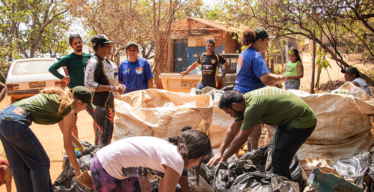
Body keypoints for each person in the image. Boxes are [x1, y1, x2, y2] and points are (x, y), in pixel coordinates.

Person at [207, 87, 317, 179]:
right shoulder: (246, 100)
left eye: (229, 112)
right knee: (277, 157)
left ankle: (283, 187)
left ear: (235, 105)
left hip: (301, 122)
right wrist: (220, 152)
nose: (231, 116)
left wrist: (224, 158)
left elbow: (242, 138)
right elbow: (232, 129)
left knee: (279, 160)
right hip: (288, 122)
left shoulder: (252, 107)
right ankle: (287, 185)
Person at [0, 86, 93, 192]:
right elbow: (67, 145)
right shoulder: (68, 110)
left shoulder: (59, 100)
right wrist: (78, 171)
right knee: (41, 164)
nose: (84, 109)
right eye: (85, 106)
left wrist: (81, 147)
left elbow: (66, 132)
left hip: (3, 119)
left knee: (19, 166)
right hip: (16, 122)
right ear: (79, 102)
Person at [90, 128, 211, 192]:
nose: (196, 165)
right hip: (104, 166)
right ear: (195, 154)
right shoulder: (176, 161)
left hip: (116, 167)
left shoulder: (171, 150)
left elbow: (163, 188)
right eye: (200, 160)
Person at [233, 27, 286, 150]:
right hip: (250, 97)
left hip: (239, 94)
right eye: (267, 42)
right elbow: (266, 79)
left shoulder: (244, 53)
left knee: (239, 129)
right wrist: (281, 78)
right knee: (254, 133)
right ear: (260, 41)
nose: (268, 45)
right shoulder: (256, 56)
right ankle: (253, 157)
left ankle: (239, 157)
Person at [85, 34, 126, 146]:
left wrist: (118, 87)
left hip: (108, 103)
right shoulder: (94, 62)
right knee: (106, 134)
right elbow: (89, 84)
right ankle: (101, 161)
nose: (110, 48)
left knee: (102, 132)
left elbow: (111, 81)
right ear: (99, 47)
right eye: (107, 46)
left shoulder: (106, 62)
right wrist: (113, 88)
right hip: (99, 104)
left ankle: (96, 157)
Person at [49, 34, 92, 139]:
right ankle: (76, 147)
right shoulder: (68, 58)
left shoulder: (89, 58)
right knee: (72, 122)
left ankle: (98, 145)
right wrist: (64, 78)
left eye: (79, 42)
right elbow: (52, 68)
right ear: (71, 46)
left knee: (97, 118)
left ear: (82, 43)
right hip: (74, 93)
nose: (78, 45)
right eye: (75, 43)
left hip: (89, 93)